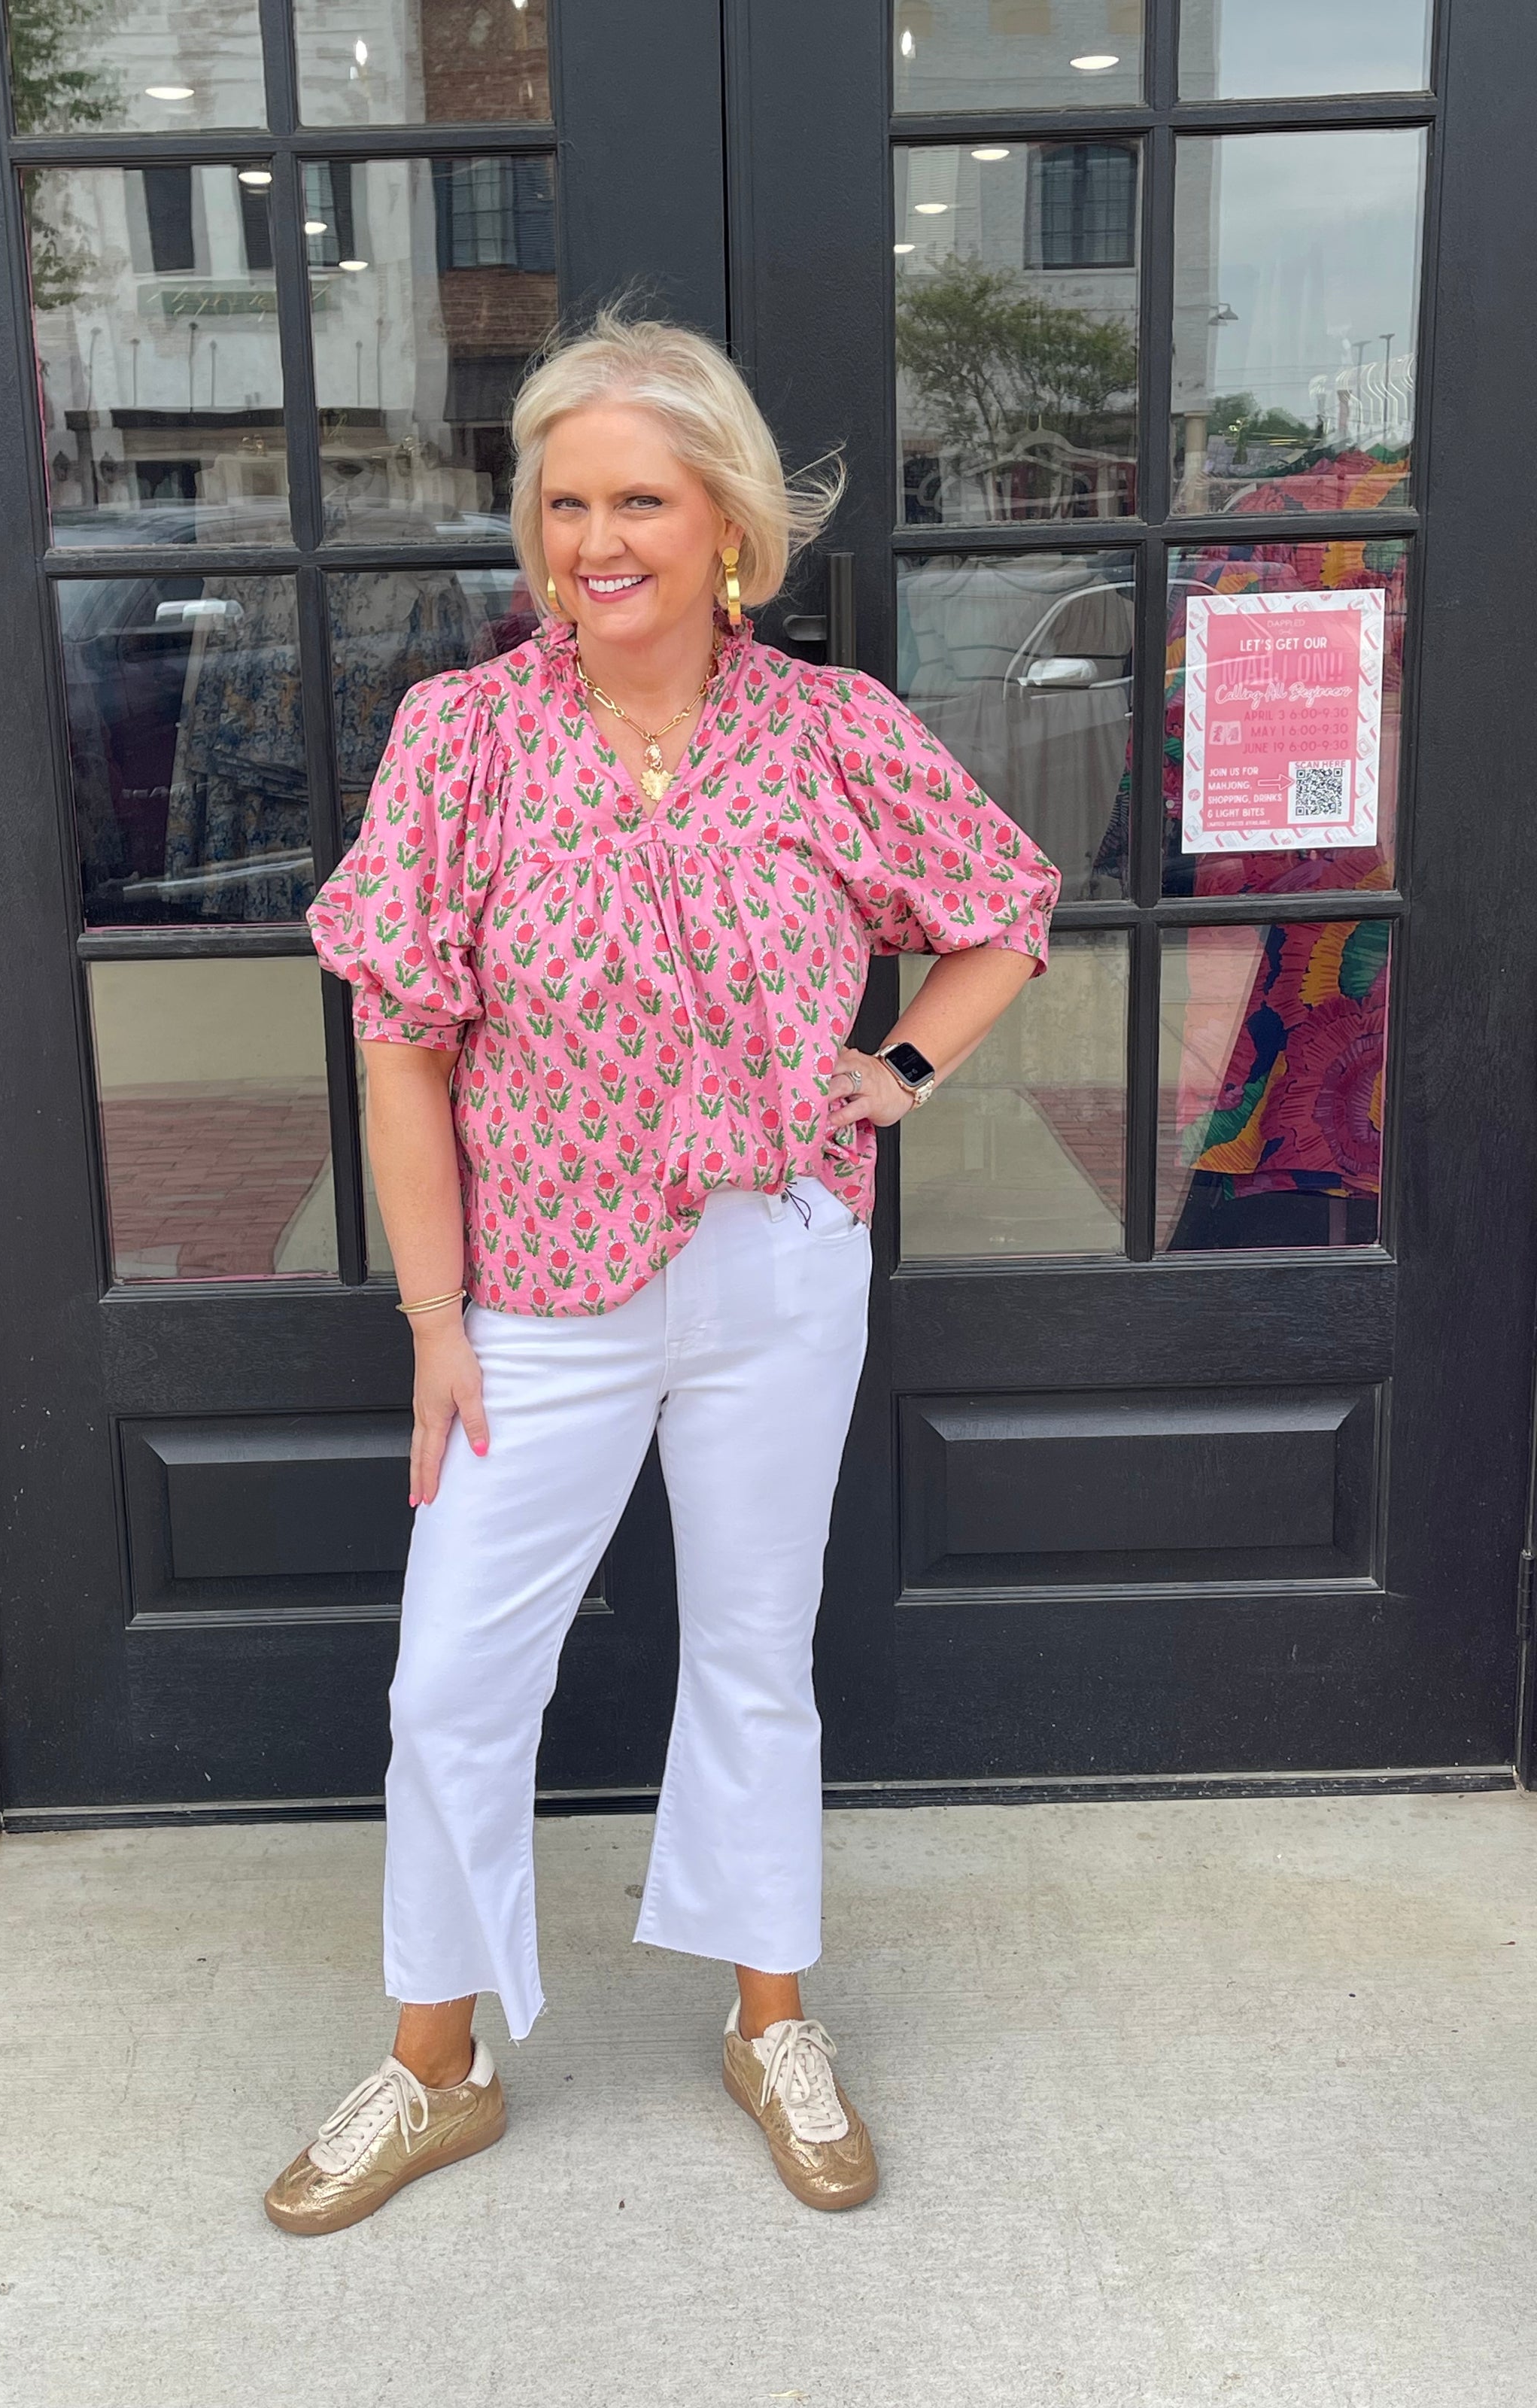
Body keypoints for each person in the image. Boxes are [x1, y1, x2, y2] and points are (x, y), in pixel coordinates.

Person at [266, 308, 1059, 2234]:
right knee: (453, 1680)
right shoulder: (463, 738)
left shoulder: (834, 732)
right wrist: (436, 1322)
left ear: (726, 528)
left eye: (640, 500)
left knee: (757, 1653)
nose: (597, 540)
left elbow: (1006, 908)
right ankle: (436, 2065)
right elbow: (401, 1044)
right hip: (539, 1293)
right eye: (565, 504)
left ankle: (770, 2019)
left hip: (776, 1267)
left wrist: (897, 1072)